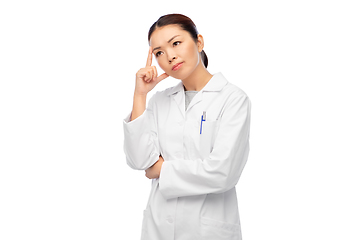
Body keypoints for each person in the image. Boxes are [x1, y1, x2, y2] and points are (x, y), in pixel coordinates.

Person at [123, 13, 251, 240]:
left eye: (176, 43)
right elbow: (139, 161)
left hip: (208, 230)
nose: (170, 56)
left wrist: (162, 170)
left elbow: (223, 173)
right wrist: (140, 95)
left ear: (199, 42)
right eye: (159, 52)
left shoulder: (232, 99)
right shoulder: (159, 101)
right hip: (158, 227)